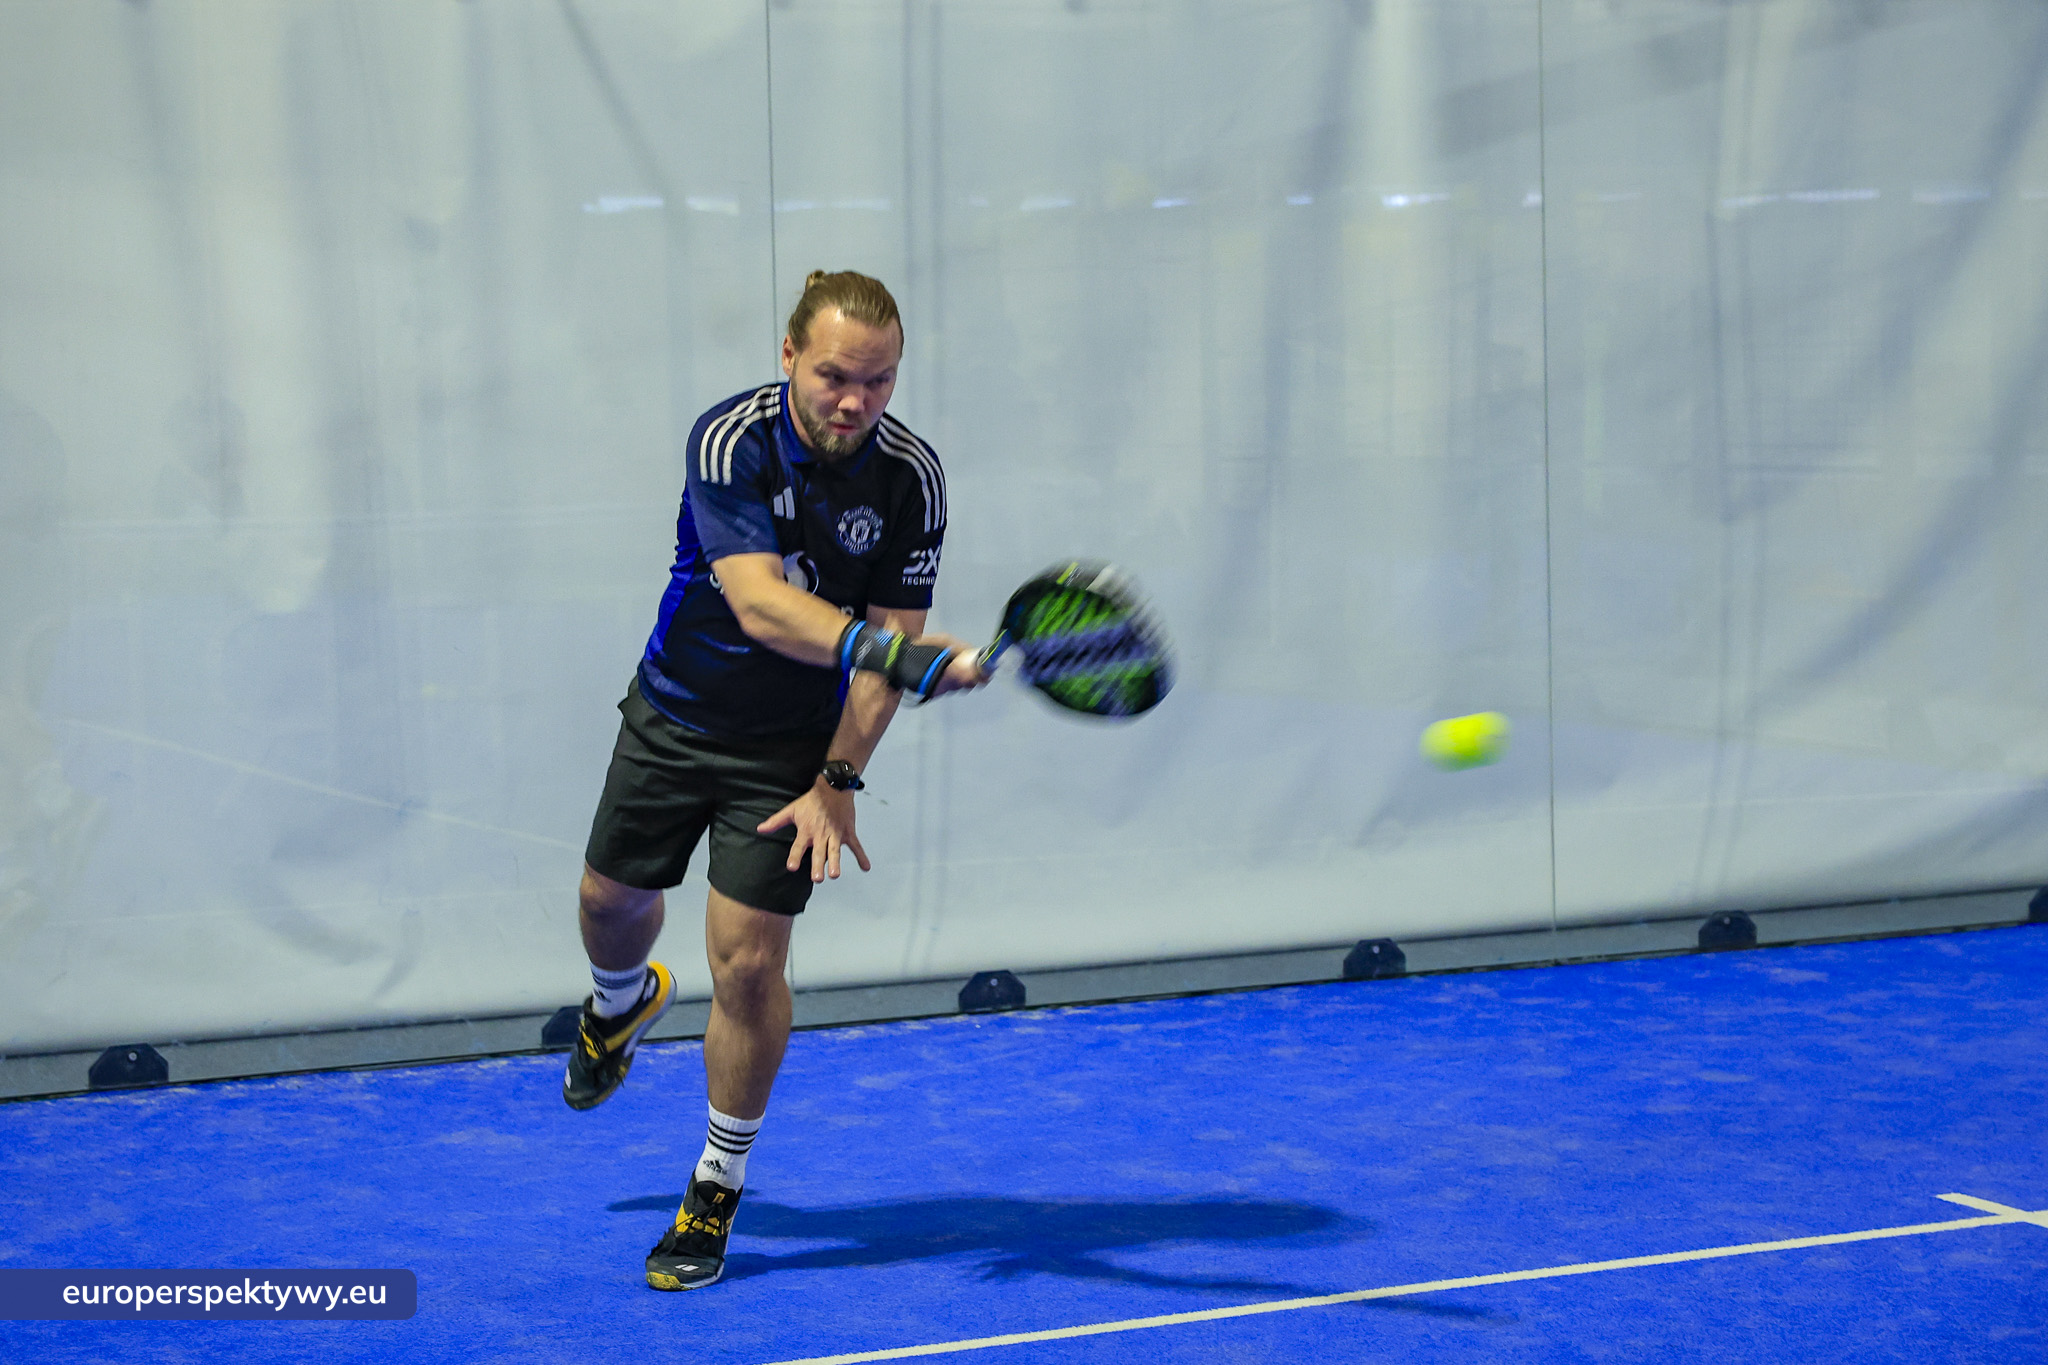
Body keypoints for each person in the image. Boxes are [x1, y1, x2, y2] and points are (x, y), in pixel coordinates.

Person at [565, 270, 984, 1291]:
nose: (854, 401)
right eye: (836, 374)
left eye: (878, 382)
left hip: (788, 756)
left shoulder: (910, 478)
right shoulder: (731, 441)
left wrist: (837, 776)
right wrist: (903, 660)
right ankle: (618, 1002)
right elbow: (758, 607)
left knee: (748, 966)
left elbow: (891, 644)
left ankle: (714, 1188)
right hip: (675, 714)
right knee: (609, 902)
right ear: (789, 355)